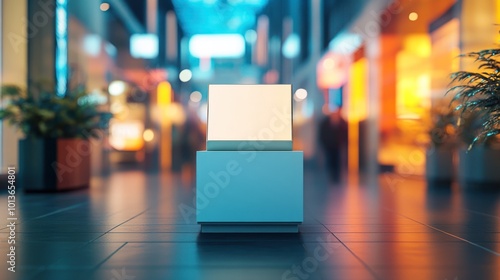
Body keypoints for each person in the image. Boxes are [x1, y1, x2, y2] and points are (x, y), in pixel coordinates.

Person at [318, 109, 348, 181]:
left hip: (337, 146)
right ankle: (331, 175)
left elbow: (345, 134)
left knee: (337, 161)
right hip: (329, 146)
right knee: (330, 160)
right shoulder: (325, 123)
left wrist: (342, 143)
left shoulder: (342, 123)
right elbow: (322, 134)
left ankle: (336, 176)